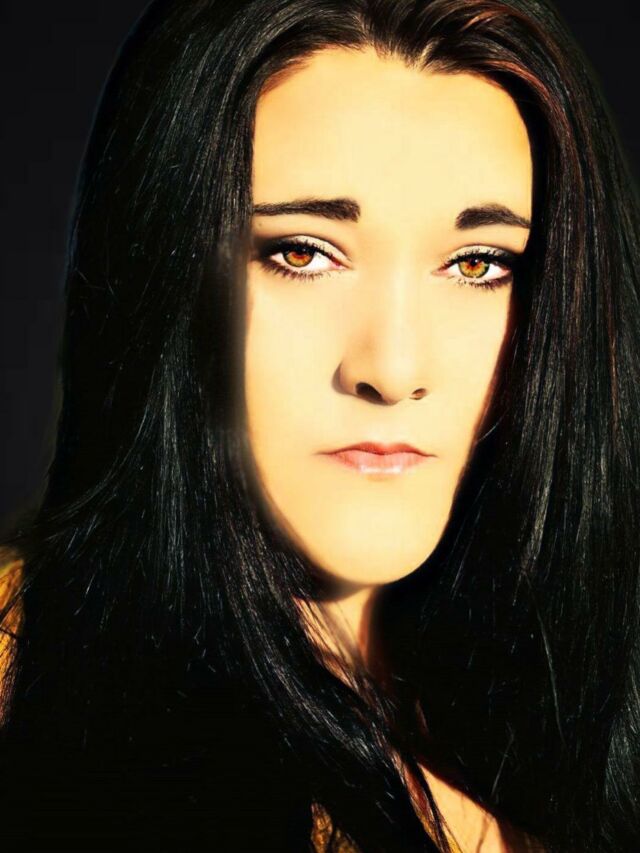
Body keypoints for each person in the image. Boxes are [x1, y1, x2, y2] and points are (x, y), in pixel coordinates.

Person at [0, 0, 638, 850]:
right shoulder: (25, 685)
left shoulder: (587, 732)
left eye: (477, 263)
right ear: (161, 273)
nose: (393, 369)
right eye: (301, 252)